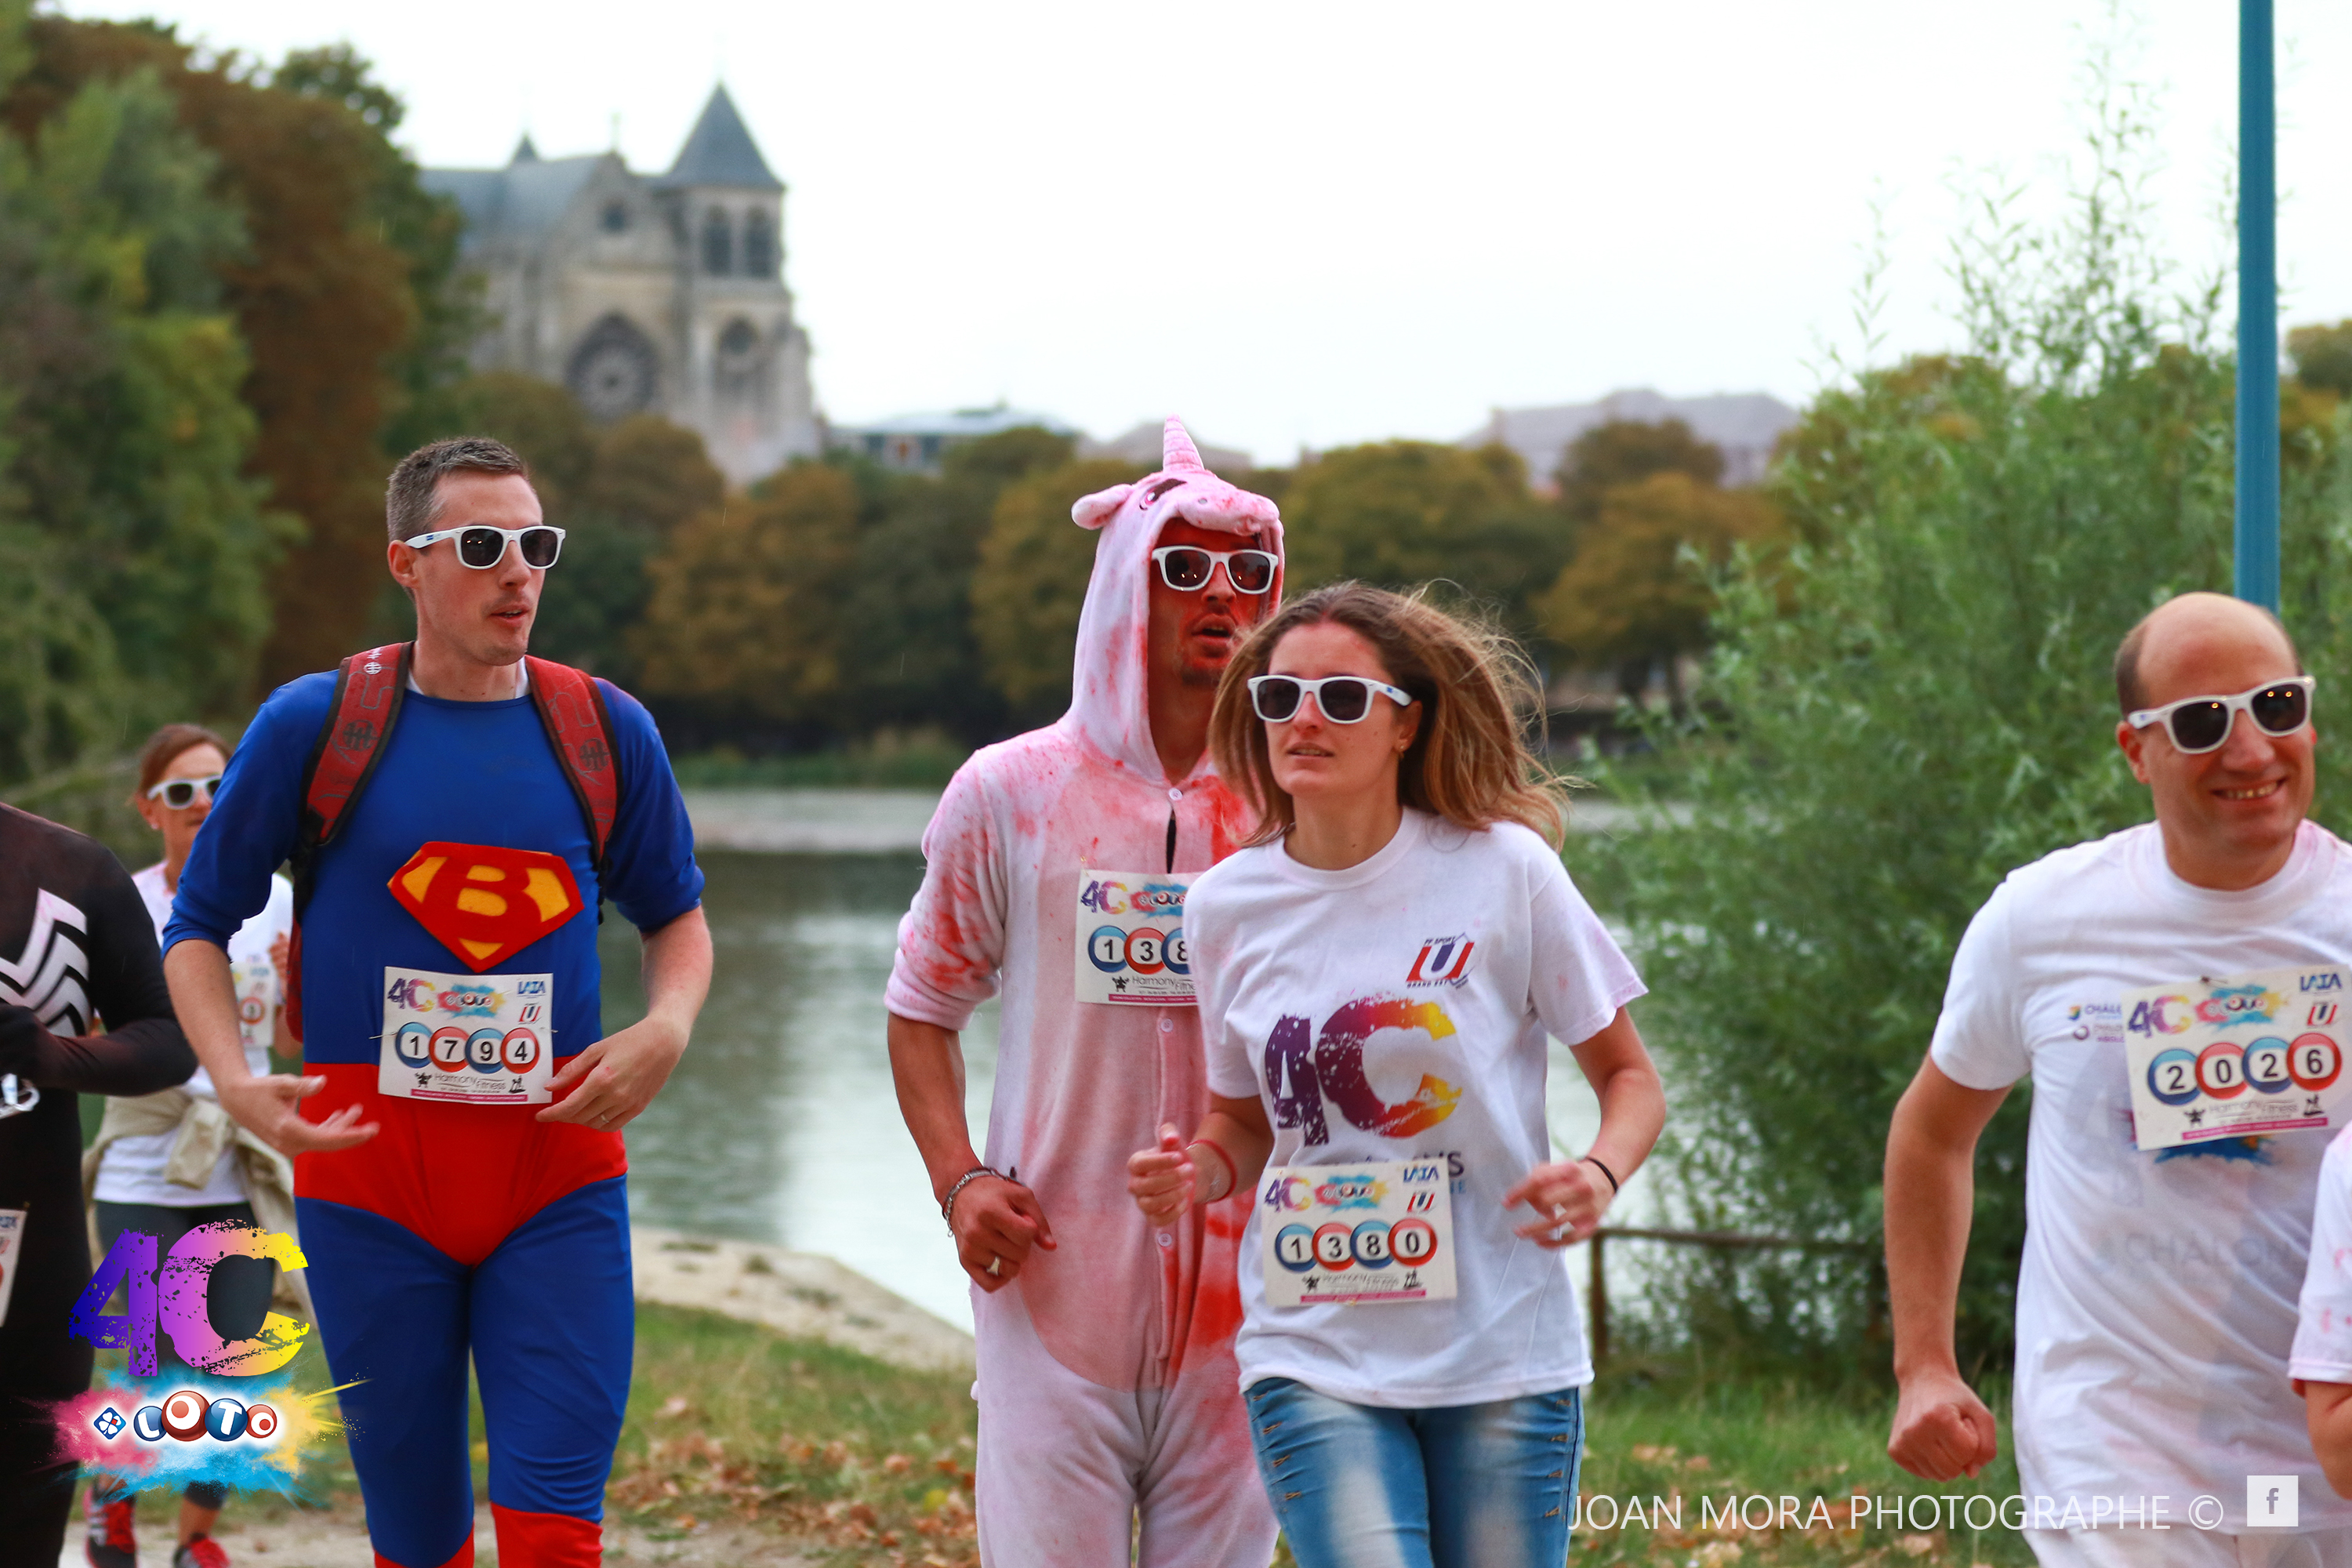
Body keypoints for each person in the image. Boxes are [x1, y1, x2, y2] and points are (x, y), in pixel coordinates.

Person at [163, 436, 711, 1568]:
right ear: (406, 563)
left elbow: (678, 922)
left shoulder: (607, 732)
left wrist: (666, 1028)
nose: (519, 572)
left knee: (557, 1534)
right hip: (368, 1177)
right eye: (481, 545)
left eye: (536, 544)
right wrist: (235, 1083)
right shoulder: (316, 726)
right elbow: (197, 929)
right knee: (416, 1541)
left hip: (555, 1177)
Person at [1127, 583, 1664, 1568]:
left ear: (1405, 722)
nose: (1303, 720)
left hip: (1504, 1348)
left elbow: (1631, 1077)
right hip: (1311, 1347)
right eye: (1280, 697)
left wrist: (1597, 1172)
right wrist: (1197, 1169)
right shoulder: (1223, 908)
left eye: (1340, 698)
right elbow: (1242, 1124)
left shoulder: (1504, 871)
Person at [884, 419, 1283, 1564]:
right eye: (1185, 568)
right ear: (1122, 585)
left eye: (1250, 573)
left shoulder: (1297, 805)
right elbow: (923, 1010)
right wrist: (959, 1181)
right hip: (1052, 1273)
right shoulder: (1008, 792)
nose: (1223, 596)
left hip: (1251, 1292)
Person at [1886, 590, 2352, 1563]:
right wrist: (1924, 1364)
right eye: (2200, 721)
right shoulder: (2044, 917)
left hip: (2315, 1453)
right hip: (2114, 1446)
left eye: (2275, 705)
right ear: (2136, 750)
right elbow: (1934, 1132)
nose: (2251, 750)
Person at [82, 725, 299, 1568]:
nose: (202, 805)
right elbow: (88, 1032)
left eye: (216, 787)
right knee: (148, 1365)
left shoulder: (278, 900)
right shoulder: (122, 903)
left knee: (234, 1367)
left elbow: (292, 1035)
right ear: (149, 809)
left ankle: (194, 1541)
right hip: (142, 1159)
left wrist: (296, 982)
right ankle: (113, 1514)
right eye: (180, 792)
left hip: (241, 1158)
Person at [0, 801, 195, 1563]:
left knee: (21, 1506)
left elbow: (166, 1038)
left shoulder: (67, 868)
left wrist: (51, 1056)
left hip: (30, 1251)